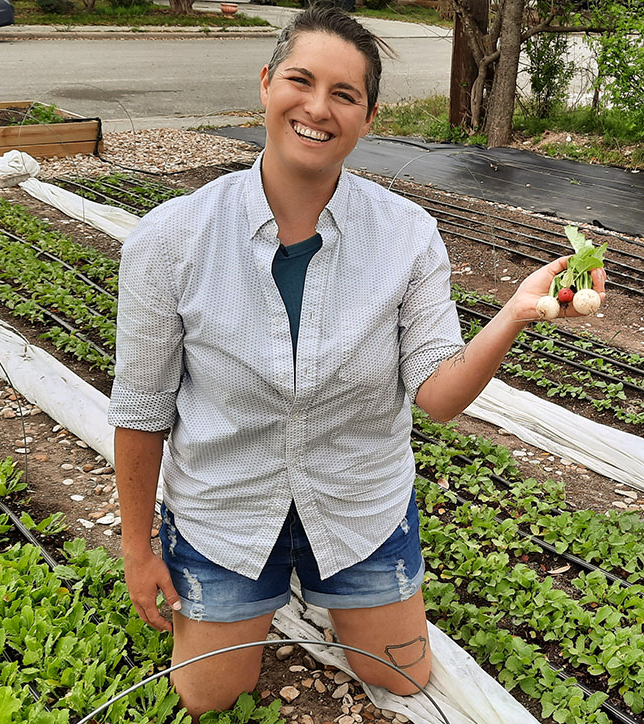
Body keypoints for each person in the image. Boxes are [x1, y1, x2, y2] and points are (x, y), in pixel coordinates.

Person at [108, 6, 606, 721]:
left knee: (402, 680)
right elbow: (141, 408)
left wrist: (515, 312)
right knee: (210, 695)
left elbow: (436, 395)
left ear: (369, 117)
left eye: (344, 95)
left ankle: (335, 587)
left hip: (358, 505)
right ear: (266, 84)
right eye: (300, 81)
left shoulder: (406, 237)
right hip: (226, 505)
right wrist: (136, 546)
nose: (317, 108)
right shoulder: (172, 238)